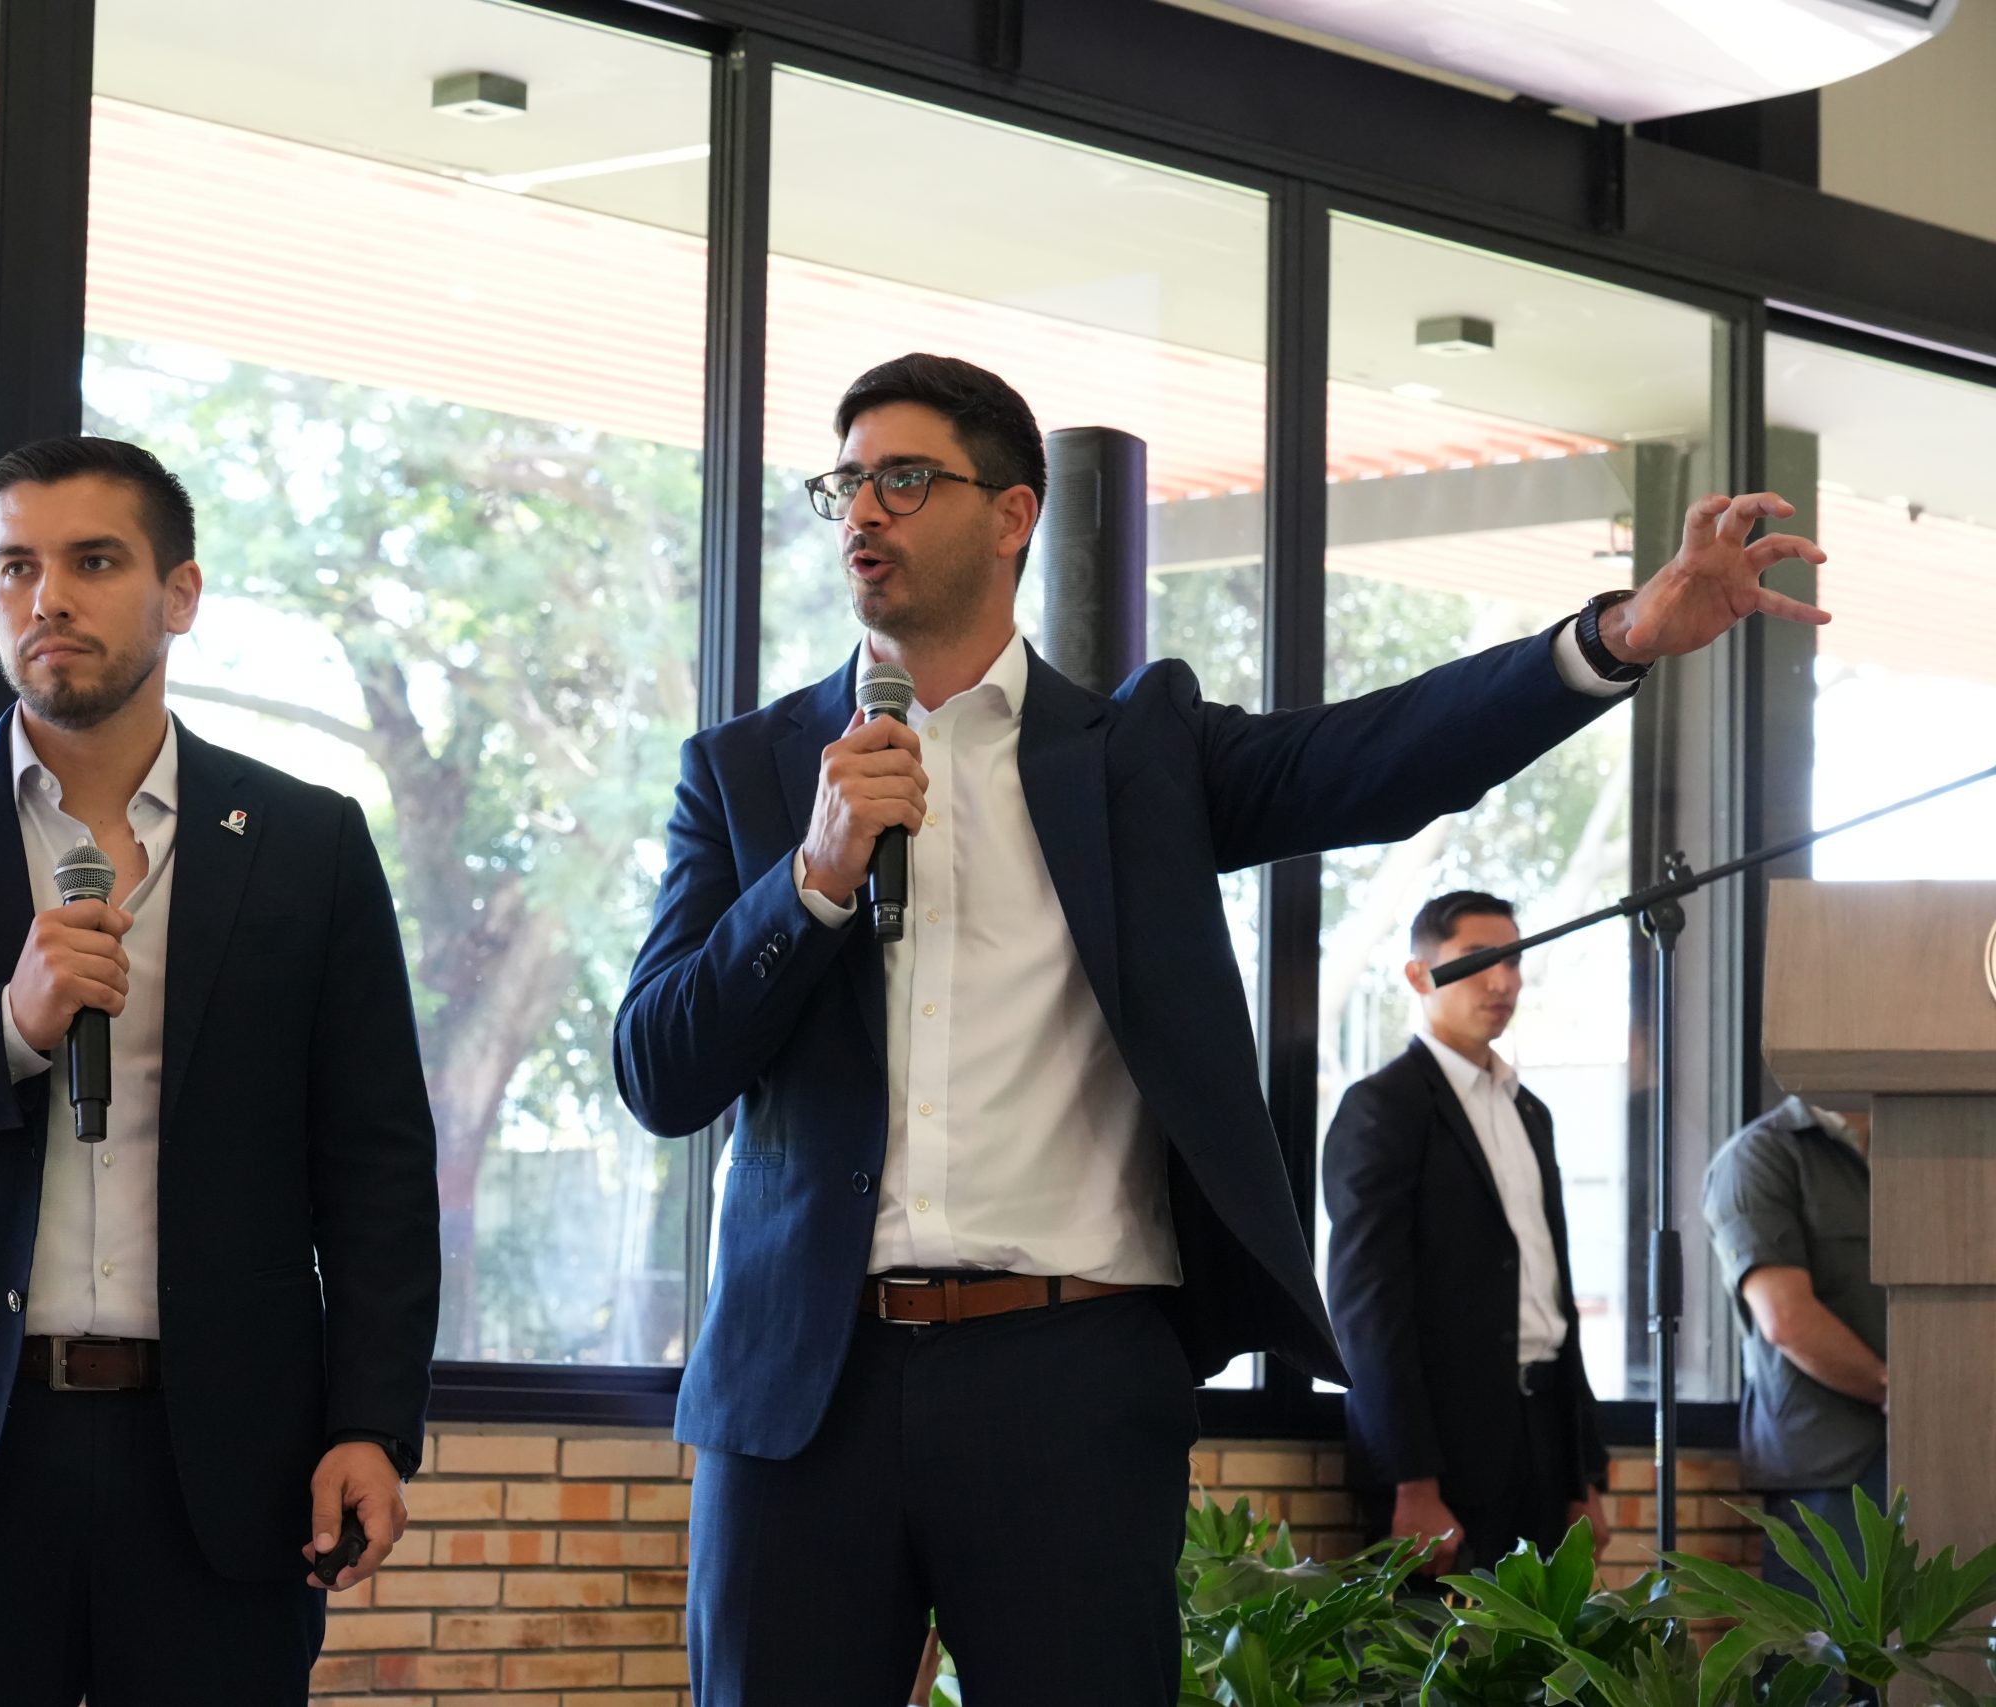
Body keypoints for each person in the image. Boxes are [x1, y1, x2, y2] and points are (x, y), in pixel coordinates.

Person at [611, 351, 1827, 1707]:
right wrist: (811, 878)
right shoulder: (750, 772)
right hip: (803, 1384)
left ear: (1012, 514)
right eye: (845, 484)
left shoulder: (1139, 756)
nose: (862, 513)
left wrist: (1616, 638)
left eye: (903, 478)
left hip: (1067, 1376)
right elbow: (659, 1068)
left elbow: (1379, 755)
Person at [0, 436, 442, 1707]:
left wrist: (371, 1423)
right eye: (16, 567)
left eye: (93, 562)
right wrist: (5, 1028)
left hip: (222, 1474)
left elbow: (378, 1169)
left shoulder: (307, 844)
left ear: (180, 594)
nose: (46, 598)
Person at [1322, 891, 1611, 1573]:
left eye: (1513, 960)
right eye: (1478, 959)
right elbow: (1367, 1306)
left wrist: (1584, 1475)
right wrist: (1411, 1481)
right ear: (1418, 975)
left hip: (1543, 1437)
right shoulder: (1383, 1106)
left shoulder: (1530, 1111)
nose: (1502, 980)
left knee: (1545, 1642)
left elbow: (1552, 1293)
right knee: (1436, 1641)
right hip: (1442, 1451)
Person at [1703, 1095, 1886, 1601]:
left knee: (1926, 1647)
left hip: (1933, 1455)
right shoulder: (1761, 1156)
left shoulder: (1922, 1145)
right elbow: (1785, 1318)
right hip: (1828, 1465)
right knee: (1828, 1647)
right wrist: (1894, 1388)